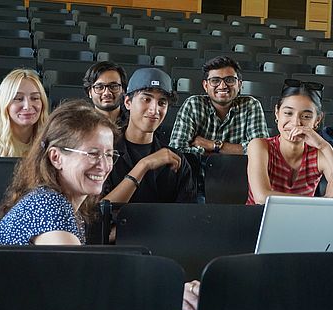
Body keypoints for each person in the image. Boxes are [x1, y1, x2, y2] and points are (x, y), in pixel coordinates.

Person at [0, 99, 120, 245]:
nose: (104, 165)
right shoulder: (51, 211)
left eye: (108, 154)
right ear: (56, 158)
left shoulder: (52, 200)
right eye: (93, 154)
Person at [246, 79, 333, 205]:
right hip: (259, 219)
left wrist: (324, 146)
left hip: (302, 220)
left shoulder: (319, 153)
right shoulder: (260, 145)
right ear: (277, 113)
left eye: (306, 116)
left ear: (317, 120)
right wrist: (324, 201)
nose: (296, 123)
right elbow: (262, 197)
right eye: (288, 113)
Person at [102, 67, 196, 203]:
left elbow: (187, 216)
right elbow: (98, 214)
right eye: (146, 99)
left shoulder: (177, 160)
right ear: (128, 102)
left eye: (162, 103)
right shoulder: (104, 153)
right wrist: (144, 165)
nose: (154, 110)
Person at [169, 55, 269, 155]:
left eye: (229, 80)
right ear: (205, 85)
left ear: (239, 84)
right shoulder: (193, 105)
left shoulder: (251, 105)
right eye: (215, 80)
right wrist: (230, 152)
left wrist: (211, 145)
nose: (222, 86)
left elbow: (261, 151)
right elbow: (177, 150)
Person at [83, 61, 128, 125]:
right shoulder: (80, 124)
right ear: (89, 92)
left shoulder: (134, 122)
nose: (107, 93)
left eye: (114, 86)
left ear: (123, 90)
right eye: (99, 87)